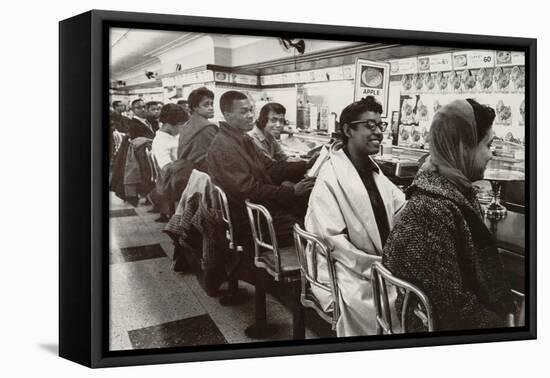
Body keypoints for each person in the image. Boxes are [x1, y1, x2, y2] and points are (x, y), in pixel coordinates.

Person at [382, 99, 515, 331]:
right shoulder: (431, 210)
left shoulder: (454, 191)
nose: (490, 155)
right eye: (488, 145)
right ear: (463, 146)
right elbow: (450, 309)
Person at [305, 96, 406, 337]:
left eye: (381, 125)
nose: (379, 132)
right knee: (391, 303)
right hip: (346, 269)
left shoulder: (373, 170)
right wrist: (379, 266)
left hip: (376, 264)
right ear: (348, 130)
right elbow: (332, 241)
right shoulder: (331, 175)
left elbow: (400, 208)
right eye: (370, 125)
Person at [207, 90, 316, 250]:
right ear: (227, 115)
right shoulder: (224, 146)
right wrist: (292, 192)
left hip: (259, 207)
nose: (251, 115)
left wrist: (306, 165)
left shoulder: (243, 139)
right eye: (244, 112)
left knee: (307, 208)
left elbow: (271, 167)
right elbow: (248, 190)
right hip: (250, 217)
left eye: (251, 110)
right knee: (310, 226)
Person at [151, 104, 192, 221]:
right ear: (169, 124)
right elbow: (166, 168)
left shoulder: (174, 135)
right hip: (171, 181)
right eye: (181, 125)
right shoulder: (160, 141)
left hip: (179, 175)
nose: (183, 128)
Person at [177, 87, 218, 172]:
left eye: (212, 104)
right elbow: (215, 158)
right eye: (206, 105)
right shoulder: (207, 127)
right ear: (195, 107)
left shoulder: (187, 124)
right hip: (201, 177)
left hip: (185, 173)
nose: (211, 108)